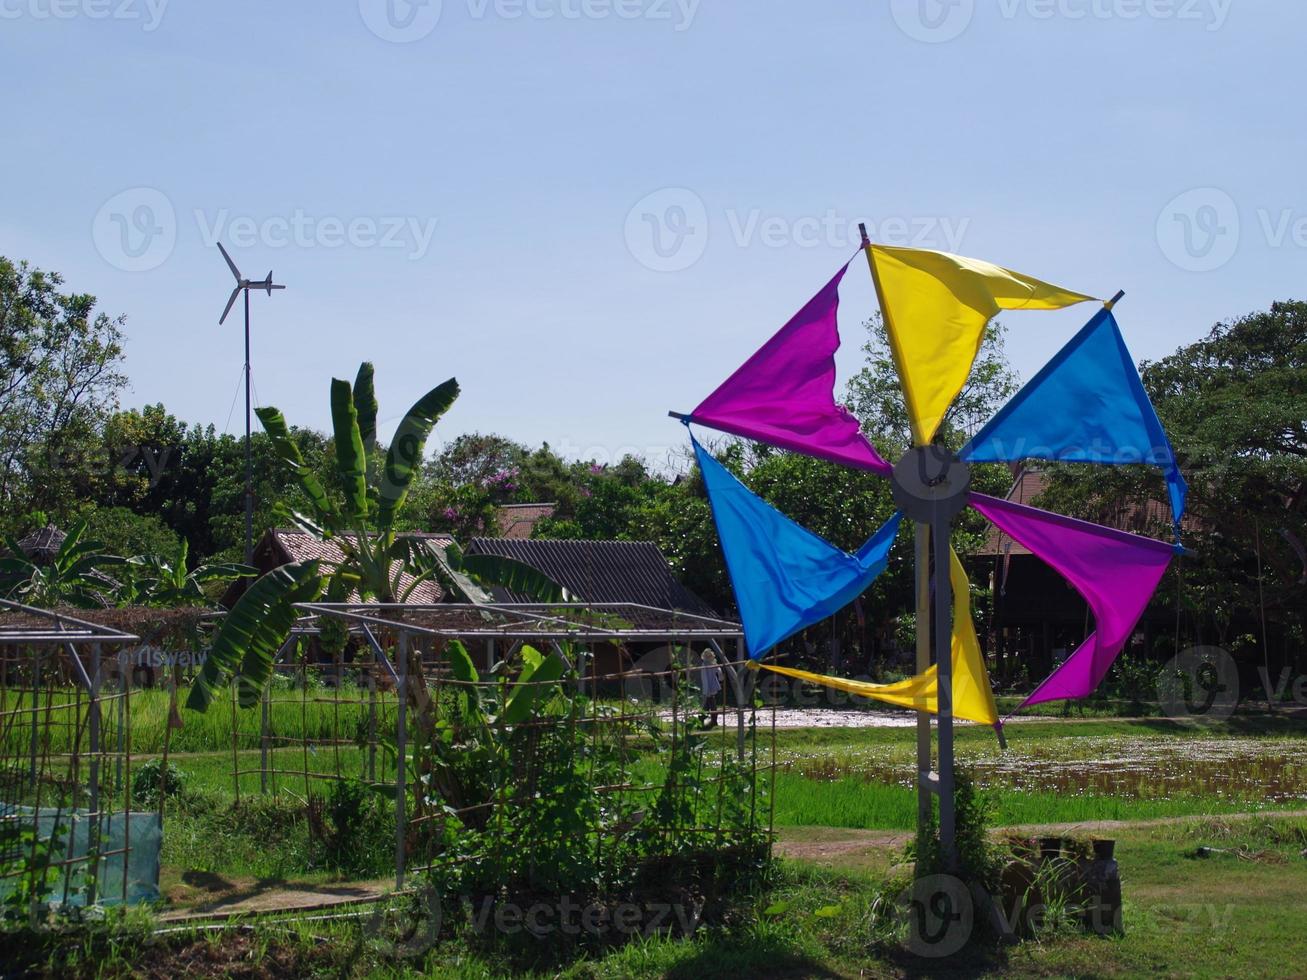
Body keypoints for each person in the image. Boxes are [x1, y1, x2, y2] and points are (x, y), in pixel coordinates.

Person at [698, 649, 723, 727]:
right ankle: (706, 721)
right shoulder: (704, 665)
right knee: (709, 706)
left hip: (712, 687)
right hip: (708, 688)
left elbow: (719, 671)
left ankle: (711, 721)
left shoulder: (713, 664)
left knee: (710, 705)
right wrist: (706, 691)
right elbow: (705, 678)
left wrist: (720, 678)